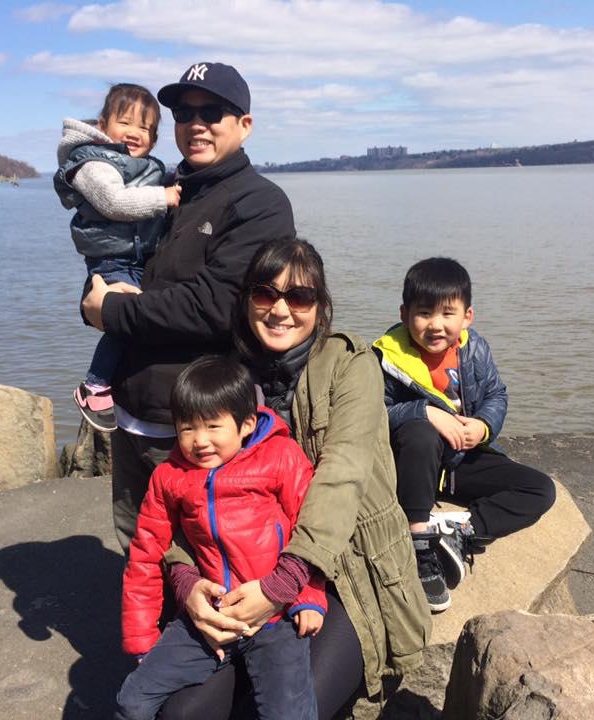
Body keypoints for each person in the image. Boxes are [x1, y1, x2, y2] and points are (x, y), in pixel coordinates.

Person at [156, 238, 432, 720]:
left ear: (320, 306)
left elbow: (341, 476)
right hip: (235, 567)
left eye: (300, 297)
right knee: (181, 713)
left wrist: (280, 586)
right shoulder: (222, 375)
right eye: (266, 293)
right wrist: (186, 580)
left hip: (342, 570)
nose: (281, 310)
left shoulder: (352, 367)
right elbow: (179, 489)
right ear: (247, 299)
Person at [79, 62, 296, 553]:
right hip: (131, 414)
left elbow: (215, 306)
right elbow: (111, 262)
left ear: (244, 124)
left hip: (199, 428)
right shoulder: (158, 191)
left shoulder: (260, 204)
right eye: (183, 113)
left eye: (212, 112)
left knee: (203, 559)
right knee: (139, 549)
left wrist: (109, 312)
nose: (196, 123)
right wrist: (94, 298)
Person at [115, 356, 326, 720]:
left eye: (213, 426)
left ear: (246, 424)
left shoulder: (280, 456)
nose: (200, 441)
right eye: (187, 428)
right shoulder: (169, 477)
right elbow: (146, 554)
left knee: (288, 714)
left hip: (275, 617)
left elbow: (307, 528)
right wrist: (142, 638)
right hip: (209, 616)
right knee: (131, 702)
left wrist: (308, 597)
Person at [372, 257, 556, 613]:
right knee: (421, 433)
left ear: (467, 316)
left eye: (447, 313)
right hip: (410, 467)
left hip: (459, 463)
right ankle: (419, 542)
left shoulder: (474, 349)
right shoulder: (386, 357)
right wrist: (424, 412)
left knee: (540, 489)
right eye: (424, 313)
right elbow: (371, 412)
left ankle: (461, 531)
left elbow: (496, 394)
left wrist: (483, 426)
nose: (436, 325)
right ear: (405, 314)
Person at [53, 83, 181, 432]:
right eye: (125, 122)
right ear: (103, 125)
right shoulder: (92, 162)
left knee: (139, 320)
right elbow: (114, 202)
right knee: (126, 317)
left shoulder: (142, 164)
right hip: (111, 260)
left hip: (138, 258)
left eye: (145, 128)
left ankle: (117, 380)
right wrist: (164, 197)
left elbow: (159, 181)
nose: (135, 132)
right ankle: (94, 384)